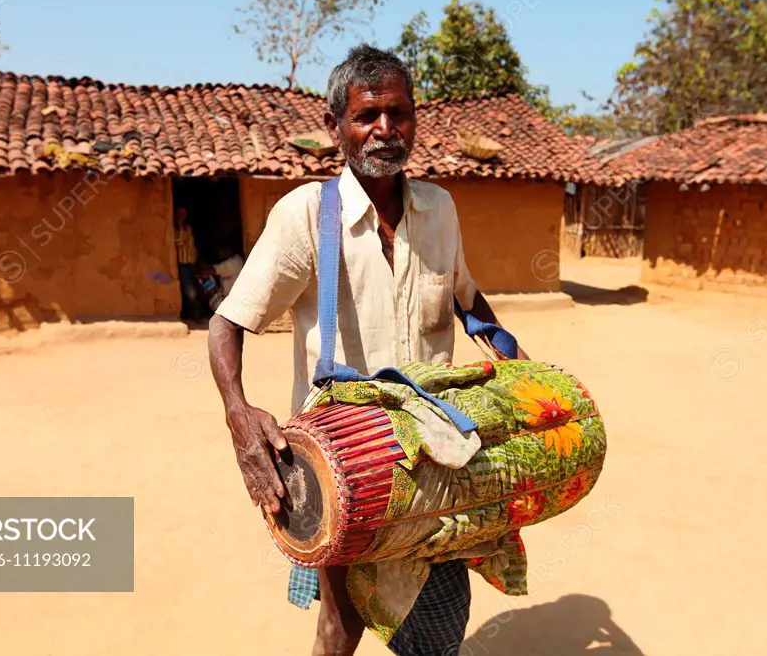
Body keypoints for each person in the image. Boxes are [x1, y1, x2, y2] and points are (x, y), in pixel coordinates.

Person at [207, 44, 527, 656]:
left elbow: (467, 299)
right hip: (346, 461)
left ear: (414, 119)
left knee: (437, 622)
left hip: (436, 454)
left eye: (399, 113)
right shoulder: (306, 215)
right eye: (367, 115)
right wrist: (239, 415)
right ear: (337, 128)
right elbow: (229, 322)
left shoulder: (439, 209)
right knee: (341, 623)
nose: (385, 128)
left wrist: (512, 360)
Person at [174, 206, 204, 322]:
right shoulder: (176, 229)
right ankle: (195, 316)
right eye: (181, 213)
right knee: (189, 291)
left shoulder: (188, 228)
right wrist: (180, 226)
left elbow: (191, 245)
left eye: (184, 213)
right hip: (183, 264)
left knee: (196, 288)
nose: (183, 215)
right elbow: (179, 242)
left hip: (191, 263)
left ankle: (196, 314)